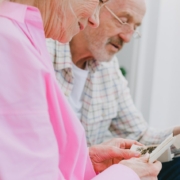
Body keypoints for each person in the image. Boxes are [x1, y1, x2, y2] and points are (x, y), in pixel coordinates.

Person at [0, 0, 162, 179]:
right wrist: (127, 174)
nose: (94, 19)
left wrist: (86, 162)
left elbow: (40, 160)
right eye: (122, 20)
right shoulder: (14, 43)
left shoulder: (23, 33)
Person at [46, 0, 180, 179]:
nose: (127, 37)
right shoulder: (42, 50)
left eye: (135, 27)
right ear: (95, 7)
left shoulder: (108, 68)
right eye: (123, 20)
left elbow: (140, 136)